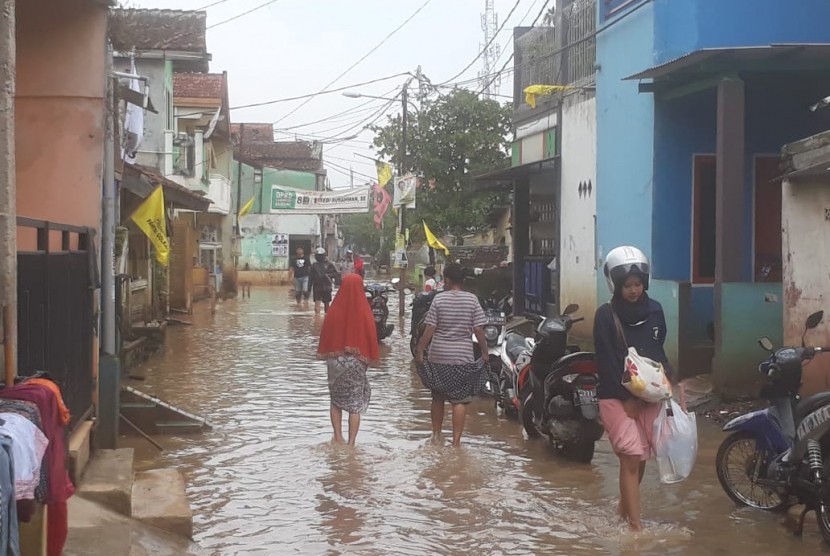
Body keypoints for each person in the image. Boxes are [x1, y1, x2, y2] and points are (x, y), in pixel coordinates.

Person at [593, 246, 675, 531]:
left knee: (641, 460)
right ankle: (636, 528)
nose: (633, 290)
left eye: (638, 284)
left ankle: (622, 511)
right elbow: (606, 360)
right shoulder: (605, 315)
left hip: (650, 396)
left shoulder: (655, 311)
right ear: (615, 284)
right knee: (629, 456)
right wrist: (628, 399)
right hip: (616, 397)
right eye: (627, 285)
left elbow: (658, 351)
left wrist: (673, 387)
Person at [414, 263, 489, 447]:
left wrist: (419, 350)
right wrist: (485, 352)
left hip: (438, 355)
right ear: (462, 280)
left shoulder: (439, 300)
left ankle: (436, 436)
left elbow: (431, 327)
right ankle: (456, 443)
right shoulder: (472, 300)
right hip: (463, 356)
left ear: (446, 280)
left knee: (438, 397)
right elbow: (478, 329)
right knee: (460, 400)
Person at [317, 273, 379, 445]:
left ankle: (337, 436)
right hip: (357, 362)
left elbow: (326, 336)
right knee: (355, 404)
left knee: (335, 400)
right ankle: (351, 443)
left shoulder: (334, 311)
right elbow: (371, 338)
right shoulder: (365, 312)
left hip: (335, 361)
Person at [310, 248, 339, 314]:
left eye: (321, 256)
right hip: (317, 287)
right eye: (318, 255)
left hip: (327, 286)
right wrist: (308, 289)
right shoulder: (314, 266)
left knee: (326, 304)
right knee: (317, 303)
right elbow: (311, 278)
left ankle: (326, 318)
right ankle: (317, 318)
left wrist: (328, 275)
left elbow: (336, 274)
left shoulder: (329, 264)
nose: (320, 257)